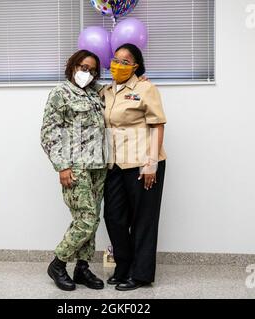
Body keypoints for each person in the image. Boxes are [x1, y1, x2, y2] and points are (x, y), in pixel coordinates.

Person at [40, 50, 107, 291]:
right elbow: (49, 133)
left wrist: (140, 78)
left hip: (99, 166)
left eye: (92, 69)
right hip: (75, 166)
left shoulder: (95, 94)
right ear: (72, 66)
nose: (86, 72)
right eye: (82, 67)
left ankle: (82, 268)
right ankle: (57, 264)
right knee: (86, 219)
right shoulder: (60, 93)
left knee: (92, 219)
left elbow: (120, 94)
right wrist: (62, 166)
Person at [102, 43, 167, 291]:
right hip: (115, 163)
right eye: (115, 60)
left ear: (136, 66)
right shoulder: (106, 91)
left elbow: (157, 125)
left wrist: (151, 164)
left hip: (143, 163)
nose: (118, 65)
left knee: (143, 220)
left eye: (125, 61)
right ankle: (123, 266)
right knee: (114, 217)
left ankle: (140, 275)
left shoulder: (145, 88)